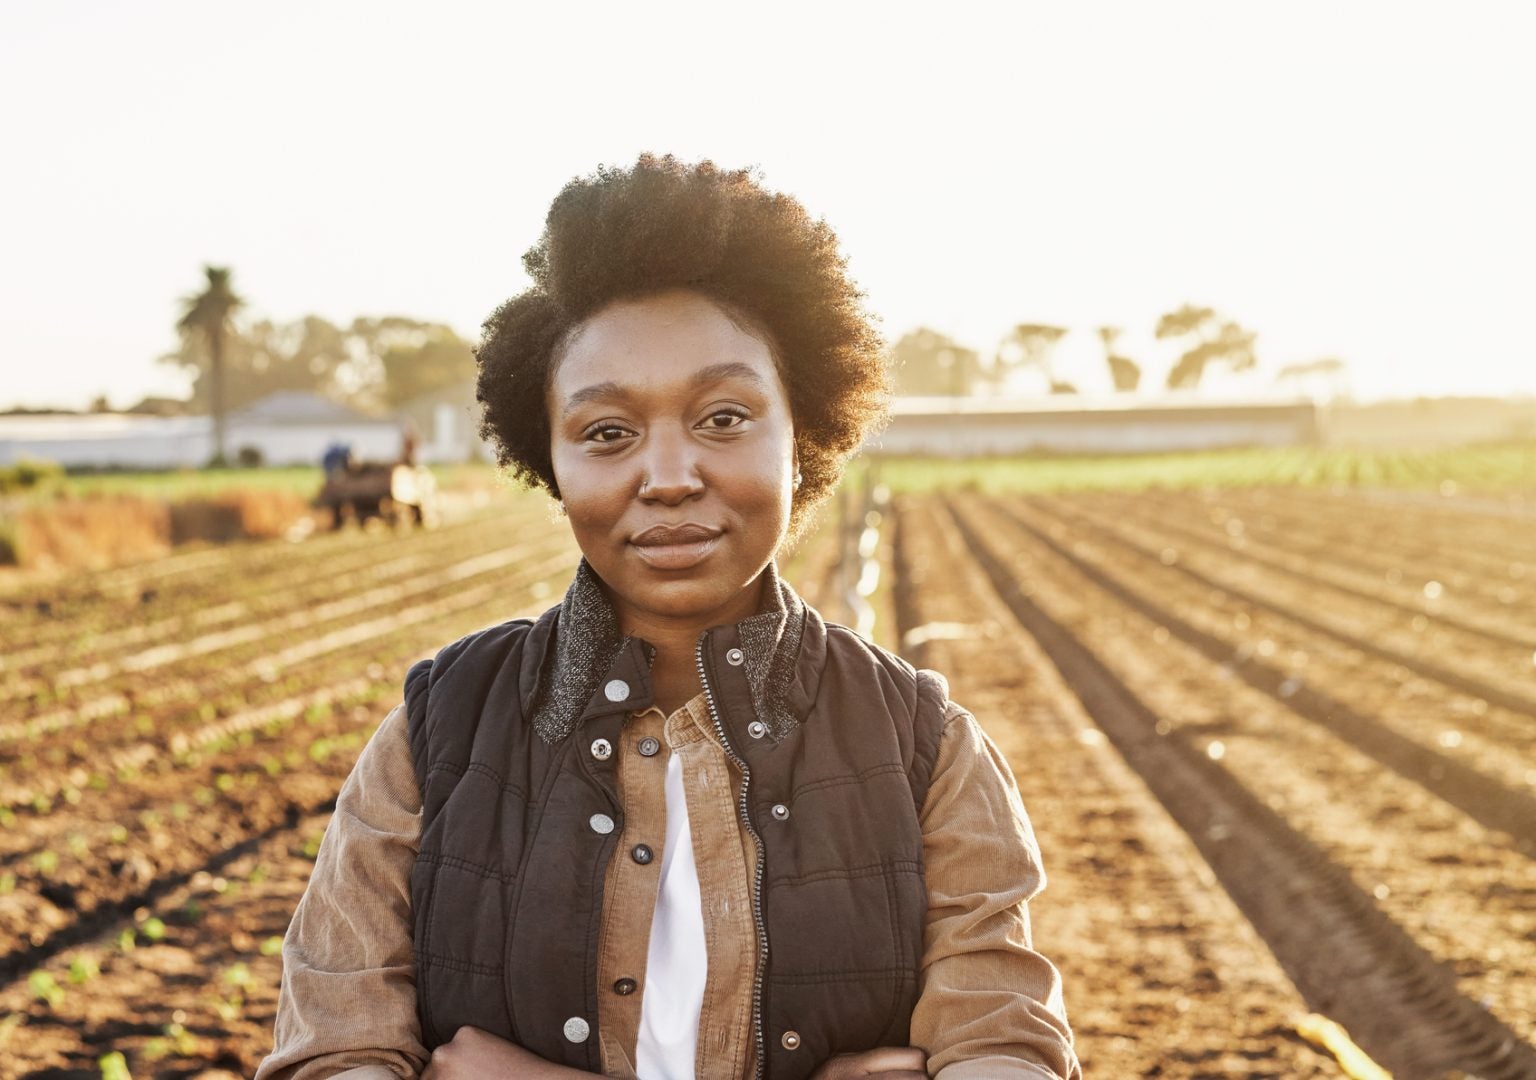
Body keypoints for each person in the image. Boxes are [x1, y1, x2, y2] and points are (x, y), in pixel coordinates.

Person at [256, 155, 1080, 1080]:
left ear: (800, 436)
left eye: (724, 417)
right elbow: (335, 1052)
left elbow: (1003, 1052)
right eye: (608, 432)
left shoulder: (926, 748)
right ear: (552, 460)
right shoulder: (439, 729)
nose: (670, 474)